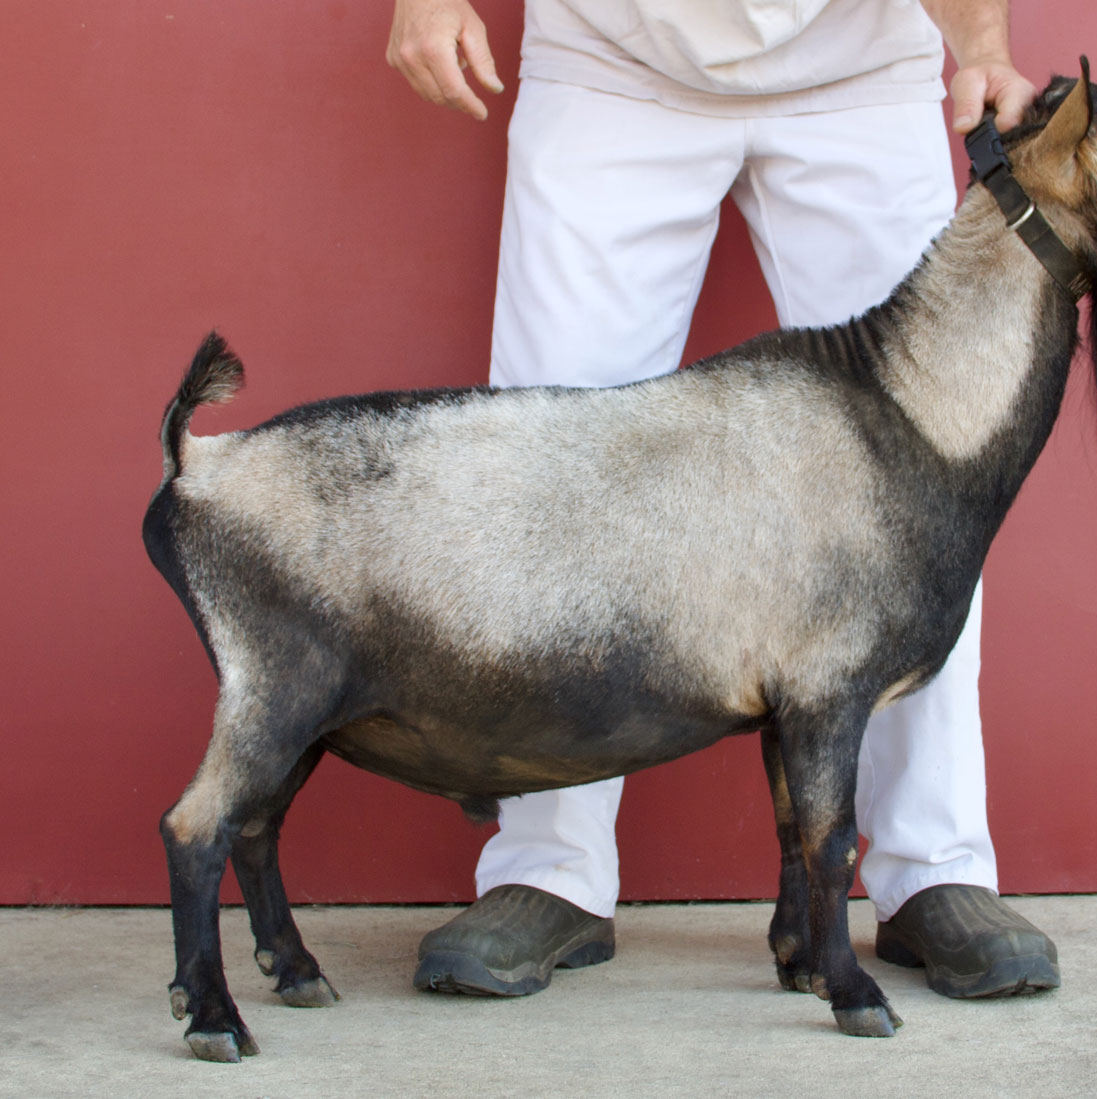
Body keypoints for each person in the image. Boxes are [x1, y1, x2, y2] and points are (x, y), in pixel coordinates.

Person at [387, 0, 1060, 1002]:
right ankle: (548, 870)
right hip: (609, 54)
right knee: (552, 465)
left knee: (921, 481)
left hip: (858, 65)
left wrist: (983, 50)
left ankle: (935, 867)